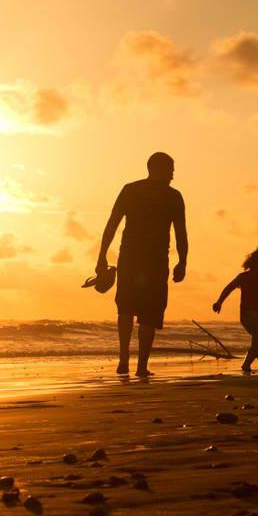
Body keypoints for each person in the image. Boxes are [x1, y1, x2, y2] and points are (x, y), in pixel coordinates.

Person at [96, 152, 187, 377]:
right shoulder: (173, 196)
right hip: (155, 262)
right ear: (158, 169)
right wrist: (182, 262)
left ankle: (124, 359)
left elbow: (112, 225)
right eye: (171, 170)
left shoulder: (130, 190)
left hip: (129, 258)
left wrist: (102, 256)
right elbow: (181, 233)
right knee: (149, 313)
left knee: (125, 308)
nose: (173, 175)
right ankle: (141, 366)